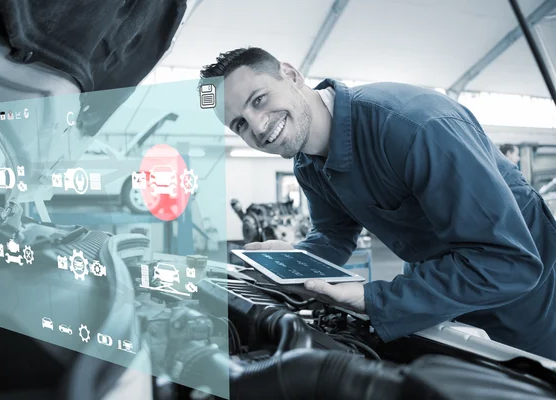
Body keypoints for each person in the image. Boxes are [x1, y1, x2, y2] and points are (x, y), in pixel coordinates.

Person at [199, 47, 556, 360]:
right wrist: (290, 263)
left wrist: (375, 299)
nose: (258, 128)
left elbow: (509, 262)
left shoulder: (414, 126)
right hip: (439, 286)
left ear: (291, 75)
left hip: (524, 298)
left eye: (259, 100)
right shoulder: (307, 164)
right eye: (240, 124)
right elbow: (333, 235)